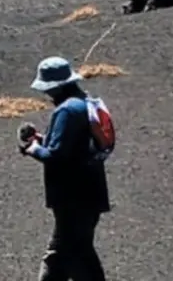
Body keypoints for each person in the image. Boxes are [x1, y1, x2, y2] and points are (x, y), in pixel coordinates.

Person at [18, 56, 109, 281]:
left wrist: (33, 148)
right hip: (91, 192)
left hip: (73, 198)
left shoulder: (66, 111)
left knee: (62, 252)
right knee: (78, 252)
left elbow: (55, 155)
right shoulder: (84, 103)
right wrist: (44, 139)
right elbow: (74, 145)